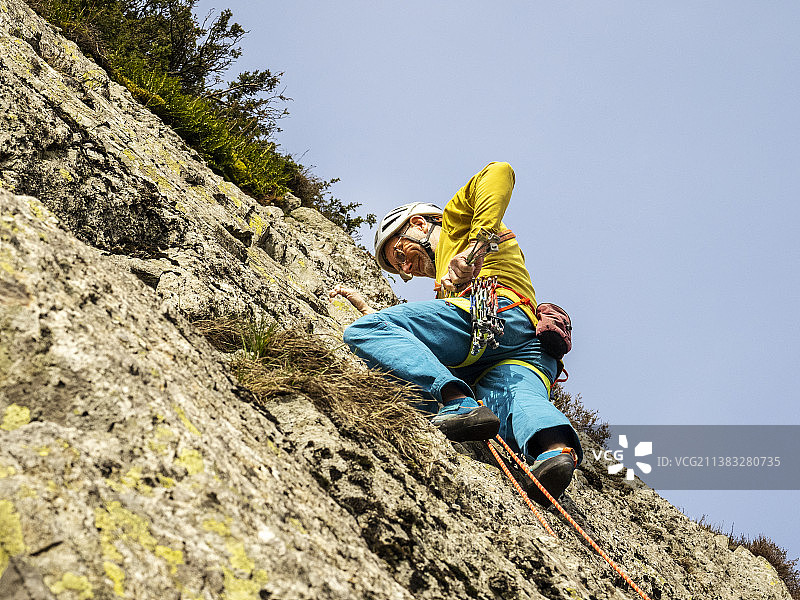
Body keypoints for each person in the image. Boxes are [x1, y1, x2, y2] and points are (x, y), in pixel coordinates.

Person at [331, 162, 582, 505]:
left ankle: (457, 403)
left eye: (401, 254)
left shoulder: (454, 223)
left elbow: (499, 172)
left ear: (417, 223)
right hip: (529, 348)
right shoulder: (447, 282)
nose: (407, 268)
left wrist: (473, 246)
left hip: (492, 315)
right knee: (519, 397)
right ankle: (551, 453)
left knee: (366, 332)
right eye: (400, 269)